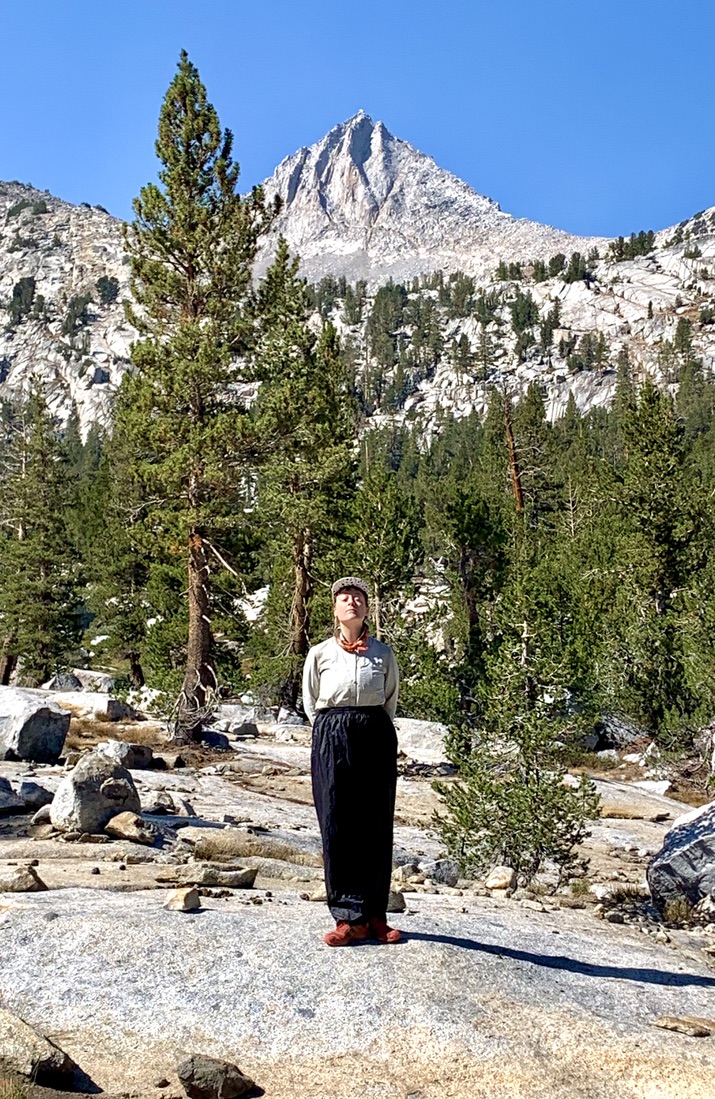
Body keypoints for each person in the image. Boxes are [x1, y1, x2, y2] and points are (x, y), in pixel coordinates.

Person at [302, 576, 401, 947]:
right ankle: (347, 917)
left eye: (358, 597)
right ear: (335, 609)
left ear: (367, 608)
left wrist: (370, 727)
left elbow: (390, 698)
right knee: (336, 821)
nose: (351, 602)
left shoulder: (383, 653)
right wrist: (331, 729)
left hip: (374, 730)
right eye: (344, 598)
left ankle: (375, 916)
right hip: (332, 731)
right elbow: (311, 701)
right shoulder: (320, 654)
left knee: (376, 821)